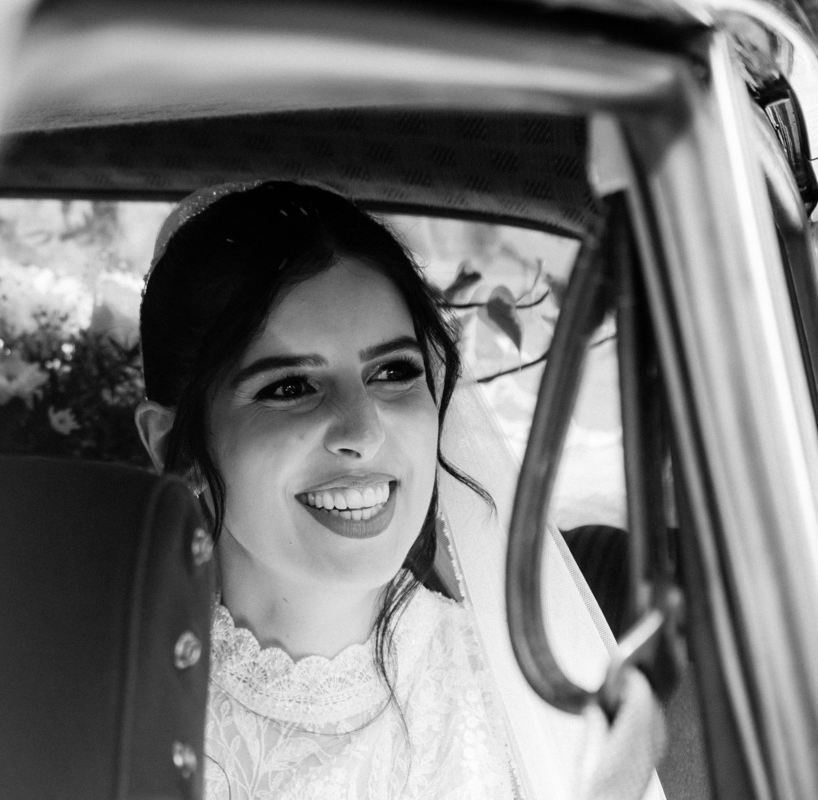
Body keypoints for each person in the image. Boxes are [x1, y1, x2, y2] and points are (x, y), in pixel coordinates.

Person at [134, 181, 664, 800]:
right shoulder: (98, 690)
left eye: (393, 372)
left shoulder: (526, 702)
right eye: (289, 387)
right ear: (176, 447)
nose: (363, 432)